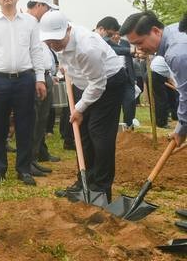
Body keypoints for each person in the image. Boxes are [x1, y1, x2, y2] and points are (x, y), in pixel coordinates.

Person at [41, 11, 126, 201]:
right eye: (49, 41)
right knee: (83, 134)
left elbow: (98, 84)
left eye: (56, 40)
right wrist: (64, 67)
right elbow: (65, 61)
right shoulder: (55, 42)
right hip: (84, 84)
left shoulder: (87, 47)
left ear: (68, 30)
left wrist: (80, 108)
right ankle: (84, 181)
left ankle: (101, 189)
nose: (53, 44)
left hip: (108, 83)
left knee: (99, 133)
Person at [0, 0, 46, 186]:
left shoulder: (30, 22)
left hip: (25, 79)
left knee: (26, 125)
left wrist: (40, 78)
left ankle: (24, 169)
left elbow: (36, 51)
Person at [119, 11, 187, 147]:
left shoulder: (176, 53)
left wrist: (181, 129)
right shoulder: (173, 30)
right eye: (135, 45)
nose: (139, 49)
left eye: (140, 42)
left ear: (156, 31)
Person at [25, 0, 61, 177]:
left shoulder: (39, 26)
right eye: (47, 8)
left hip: (45, 75)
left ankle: (35, 156)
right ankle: (28, 160)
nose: (48, 13)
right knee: (34, 119)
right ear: (39, 5)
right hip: (33, 77)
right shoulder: (25, 23)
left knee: (42, 120)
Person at [96, 16, 137, 129]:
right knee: (112, 106)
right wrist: (131, 51)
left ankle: (129, 126)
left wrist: (134, 51)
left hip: (124, 77)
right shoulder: (95, 40)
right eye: (110, 34)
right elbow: (112, 50)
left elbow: (117, 48)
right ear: (101, 29)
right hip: (107, 79)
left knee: (129, 102)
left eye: (116, 33)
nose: (113, 36)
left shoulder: (118, 42)